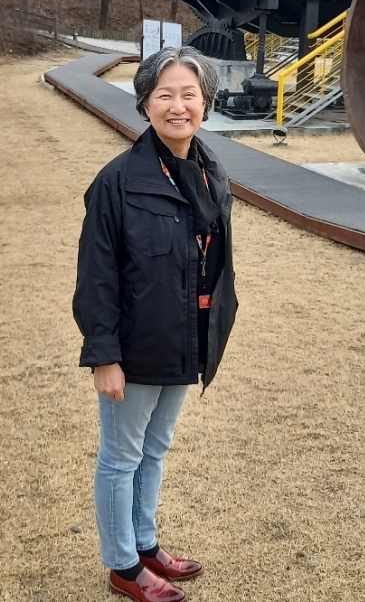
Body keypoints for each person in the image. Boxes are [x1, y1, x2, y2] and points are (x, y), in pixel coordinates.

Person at [73, 46, 237, 602]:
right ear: (144, 104)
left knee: (155, 449)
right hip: (134, 345)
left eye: (189, 94)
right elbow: (97, 276)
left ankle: (145, 546)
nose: (178, 106)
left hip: (183, 338)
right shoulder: (117, 182)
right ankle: (123, 565)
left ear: (205, 104)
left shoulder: (211, 171)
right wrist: (104, 355)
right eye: (164, 94)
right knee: (121, 458)